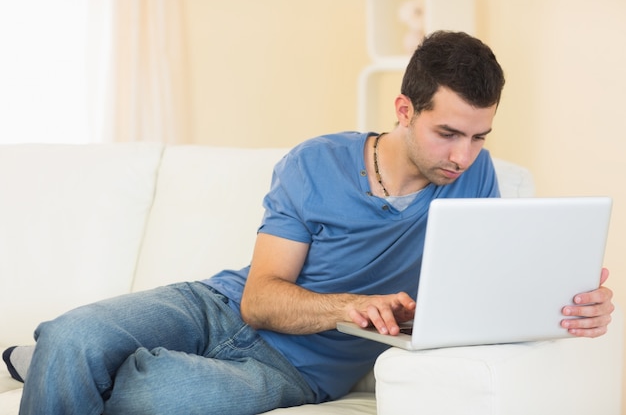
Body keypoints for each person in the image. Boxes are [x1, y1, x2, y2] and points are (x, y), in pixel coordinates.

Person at [3, 31, 614, 415]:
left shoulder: (477, 182)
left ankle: (65, 372)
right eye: (448, 133)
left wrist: (571, 304)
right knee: (69, 336)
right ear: (404, 110)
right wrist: (348, 306)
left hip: (293, 369)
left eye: (480, 137)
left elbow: (494, 297)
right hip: (217, 303)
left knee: (151, 396)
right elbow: (259, 300)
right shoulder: (315, 161)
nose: (464, 155)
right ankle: (63, 360)